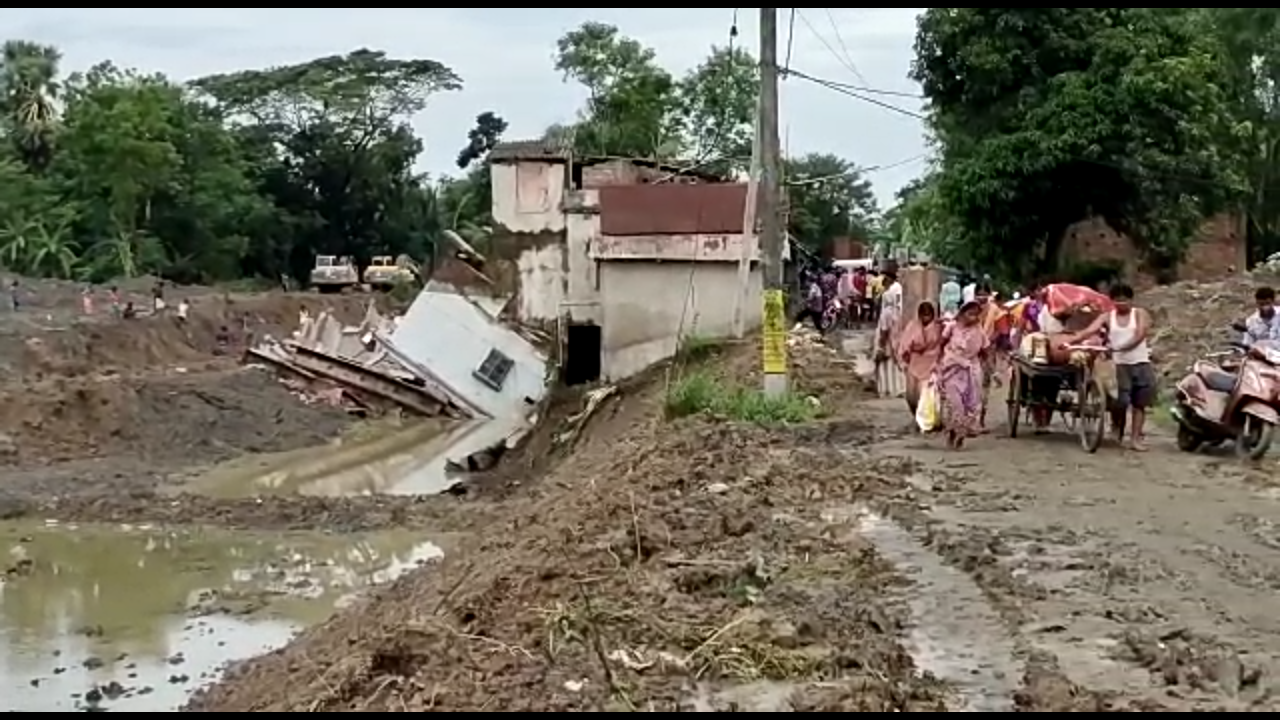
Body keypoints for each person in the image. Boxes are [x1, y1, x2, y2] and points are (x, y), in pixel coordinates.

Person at [1069, 283, 1154, 451]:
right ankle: (1117, 430)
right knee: (1120, 402)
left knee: (1140, 403)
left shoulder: (1140, 314)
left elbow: (1140, 335)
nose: (1121, 304)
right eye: (1117, 301)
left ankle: (1135, 439)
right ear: (1112, 301)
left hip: (1140, 363)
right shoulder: (1108, 317)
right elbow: (1089, 331)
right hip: (1120, 366)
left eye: (1124, 300)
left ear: (1131, 300)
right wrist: (1071, 341)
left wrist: (1121, 347)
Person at [937, 300, 990, 449]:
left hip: (971, 370)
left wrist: (991, 370)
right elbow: (941, 344)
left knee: (970, 406)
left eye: (975, 314)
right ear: (962, 313)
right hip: (952, 369)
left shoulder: (979, 331)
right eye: (969, 313)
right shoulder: (952, 328)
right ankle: (952, 432)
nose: (972, 317)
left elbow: (985, 351)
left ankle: (961, 434)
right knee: (955, 404)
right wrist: (939, 363)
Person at [898, 300, 944, 415]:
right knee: (911, 396)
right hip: (915, 361)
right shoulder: (912, 326)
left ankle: (927, 420)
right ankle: (915, 415)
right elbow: (904, 344)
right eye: (923, 315)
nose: (926, 318)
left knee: (926, 395)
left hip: (931, 362)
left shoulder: (939, 327)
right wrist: (906, 356)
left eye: (928, 315)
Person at [875, 265, 904, 363]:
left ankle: (894, 354)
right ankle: (882, 352)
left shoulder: (897, 287)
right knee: (883, 333)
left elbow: (898, 301)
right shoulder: (886, 286)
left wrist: (898, 313)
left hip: (893, 311)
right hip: (885, 312)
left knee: (893, 334)